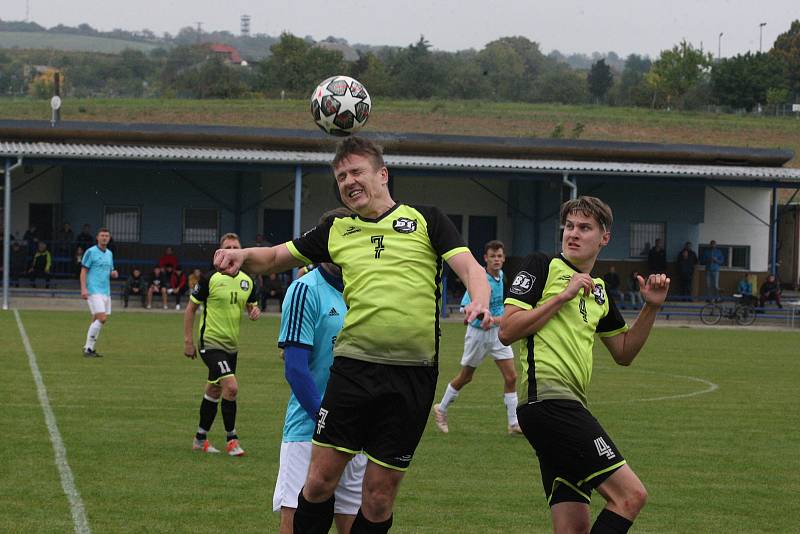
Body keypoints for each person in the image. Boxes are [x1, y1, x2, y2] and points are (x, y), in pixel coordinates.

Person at [214, 136, 490, 533]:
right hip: (354, 370)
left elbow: (470, 268)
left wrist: (478, 299)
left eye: (356, 172)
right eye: (341, 176)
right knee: (320, 480)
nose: (348, 181)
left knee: (378, 499)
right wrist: (242, 257)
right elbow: (276, 256)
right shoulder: (337, 229)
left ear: (382, 174)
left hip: (412, 375)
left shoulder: (426, 219)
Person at [498, 196, 669, 534]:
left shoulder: (600, 291)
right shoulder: (542, 265)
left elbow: (624, 352)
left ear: (604, 238)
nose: (573, 234)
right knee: (630, 496)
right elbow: (507, 330)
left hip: (564, 407)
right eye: (570, 226)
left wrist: (651, 308)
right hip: (548, 403)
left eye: (585, 228)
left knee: (572, 528)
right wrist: (562, 296)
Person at [273, 208, 367, 534]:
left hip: (356, 428)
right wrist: (326, 419)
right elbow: (296, 370)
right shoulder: (305, 289)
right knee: (298, 524)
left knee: (354, 522)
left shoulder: (364, 290)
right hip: (308, 431)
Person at [183, 233, 260, 456]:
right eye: (228, 247)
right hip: (211, 343)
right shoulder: (210, 279)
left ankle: (199, 439)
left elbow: (251, 307)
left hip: (231, 346)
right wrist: (188, 341)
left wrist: (254, 311)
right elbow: (190, 309)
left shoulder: (248, 281)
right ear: (220, 252)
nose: (232, 250)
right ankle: (232, 440)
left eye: (236, 246)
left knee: (215, 389)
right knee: (232, 387)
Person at [433, 240, 521, 435]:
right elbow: (466, 306)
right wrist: (483, 317)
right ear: (485, 259)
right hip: (478, 335)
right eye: (493, 256)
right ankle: (441, 408)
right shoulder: (480, 279)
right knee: (466, 377)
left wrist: (495, 320)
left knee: (511, 376)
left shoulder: (501, 276)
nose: (496, 260)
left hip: (497, 334)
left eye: (499, 256)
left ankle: (513, 423)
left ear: (504, 258)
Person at [80, 228, 119, 357]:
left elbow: (110, 270)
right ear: (97, 237)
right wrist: (84, 289)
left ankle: (88, 347)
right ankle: (88, 349)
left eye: (107, 236)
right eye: (102, 235)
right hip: (93, 290)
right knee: (102, 318)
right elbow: (84, 271)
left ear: (109, 238)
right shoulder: (91, 252)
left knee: (97, 318)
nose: (104, 238)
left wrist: (113, 273)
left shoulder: (109, 254)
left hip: (105, 291)